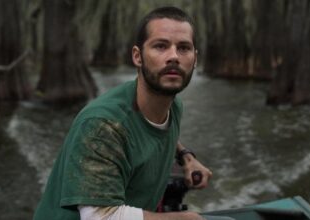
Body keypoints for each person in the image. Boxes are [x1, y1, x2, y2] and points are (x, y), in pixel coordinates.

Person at [34, 6, 214, 220]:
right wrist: (183, 219)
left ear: (195, 59)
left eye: (183, 48)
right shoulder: (102, 125)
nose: (173, 56)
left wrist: (186, 156)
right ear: (138, 57)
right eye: (160, 46)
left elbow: (155, 130)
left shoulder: (173, 107)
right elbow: (99, 217)